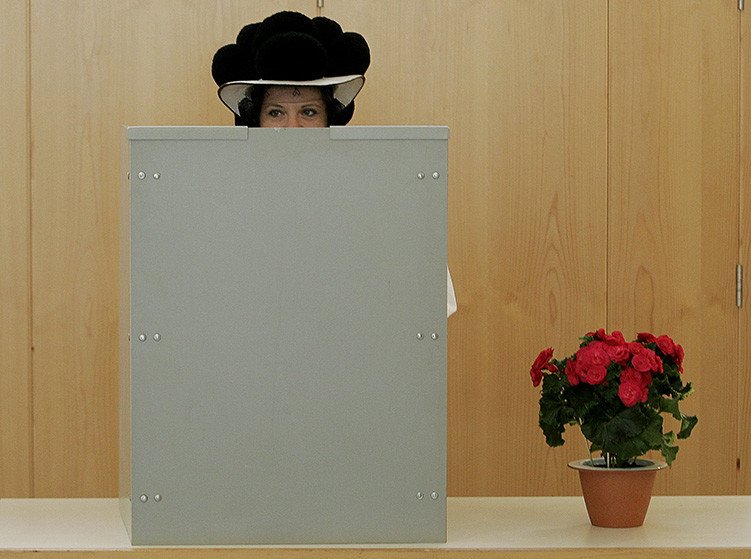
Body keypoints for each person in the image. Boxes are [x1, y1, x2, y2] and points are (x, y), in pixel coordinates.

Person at [212, 11, 457, 317]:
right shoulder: (225, 204)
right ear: (257, 120)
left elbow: (433, 304)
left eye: (309, 112)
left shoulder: (379, 199)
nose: (292, 128)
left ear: (330, 119)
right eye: (276, 113)